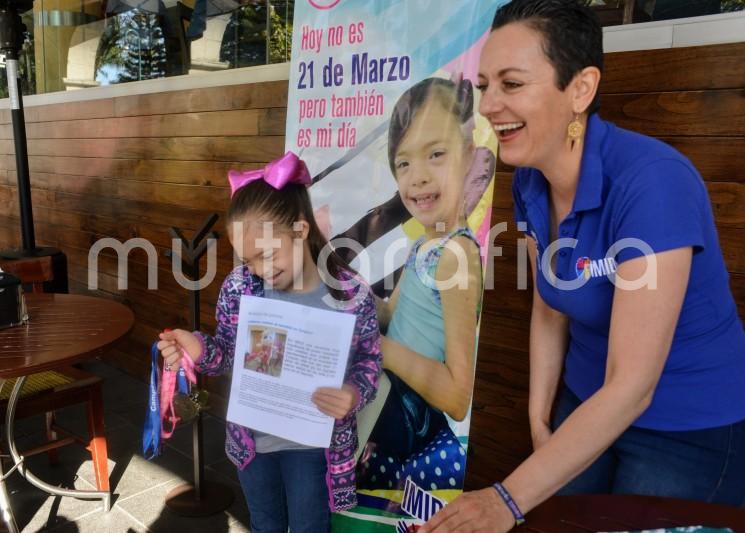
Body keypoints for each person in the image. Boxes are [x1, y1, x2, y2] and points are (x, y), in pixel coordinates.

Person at [422, 1, 745, 531]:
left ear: (581, 88)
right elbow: (551, 306)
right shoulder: (529, 179)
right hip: (587, 397)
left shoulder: (653, 182)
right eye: (484, 86)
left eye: (512, 83)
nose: (489, 106)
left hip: (687, 424)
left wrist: (506, 498)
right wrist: (538, 413)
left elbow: (632, 385)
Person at [157, 152, 382, 533]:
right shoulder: (240, 287)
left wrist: (353, 393)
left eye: (268, 254)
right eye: (249, 260)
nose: (261, 269)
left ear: (301, 230)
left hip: (313, 448)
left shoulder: (349, 294)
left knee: (310, 527)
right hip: (253, 444)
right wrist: (197, 349)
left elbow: (369, 363)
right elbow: (226, 355)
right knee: (264, 524)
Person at [358, 77, 483, 491]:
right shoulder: (425, 245)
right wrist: (359, 297)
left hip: (411, 423)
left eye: (436, 154)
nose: (417, 177)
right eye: (404, 162)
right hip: (389, 409)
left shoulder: (456, 255)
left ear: (467, 156)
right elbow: (395, 317)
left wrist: (383, 351)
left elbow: (456, 398)